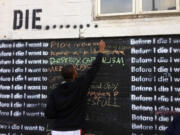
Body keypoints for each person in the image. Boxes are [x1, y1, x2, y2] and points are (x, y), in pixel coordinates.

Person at [45, 40, 106, 135]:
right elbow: (94, 69)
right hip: (75, 130)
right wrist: (101, 51)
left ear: (62, 76)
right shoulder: (81, 85)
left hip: (57, 130)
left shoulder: (54, 92)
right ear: (75, 74)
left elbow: (49, 114)